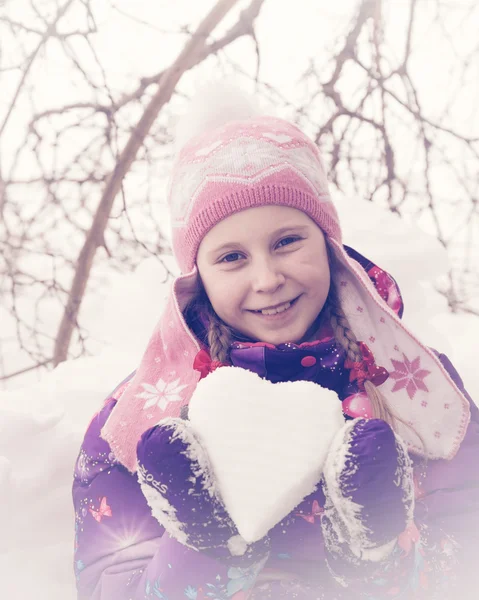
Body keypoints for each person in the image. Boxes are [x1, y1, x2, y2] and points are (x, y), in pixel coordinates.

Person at [72, 95, 479, 600]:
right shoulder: (138, 418)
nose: (267, 279)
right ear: (197, 276)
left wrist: (377, 561)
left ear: (328, 245)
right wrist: (204, 550)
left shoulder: (414, 388)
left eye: (287, 241)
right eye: (232, 257)